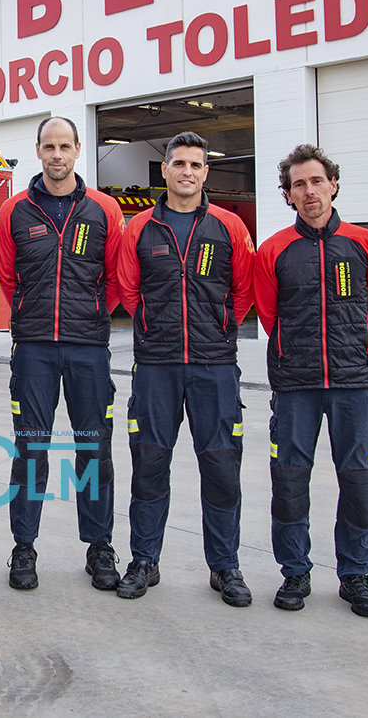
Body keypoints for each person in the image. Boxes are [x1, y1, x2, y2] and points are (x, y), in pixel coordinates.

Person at [113, 131, 256, 606]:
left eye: (196, 165)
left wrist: (217, 329)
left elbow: (243, 291)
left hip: (214, 368)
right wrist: (155, 329)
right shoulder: (140, 229)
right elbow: (129, 292)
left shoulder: (229, 227)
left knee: (220, 467)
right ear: (166, 171)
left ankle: (225, 566)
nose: (187, 172)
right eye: (179, 164)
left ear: (205, 172)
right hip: (156, 366)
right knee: (150, 464)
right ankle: (144, 560)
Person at [253, 143, 368, 617]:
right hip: (295, 385)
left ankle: (356, 575)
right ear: (288, 195)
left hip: (355, 383)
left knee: (359, 479)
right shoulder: (273, 250)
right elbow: (270, 316)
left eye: (316, 181)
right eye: (298, 185)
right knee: (290, 480)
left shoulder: (366, 244)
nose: (309, 191)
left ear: (333, 184)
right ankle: (295, 571)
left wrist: (354, 348)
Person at [0, 116, 125, 591]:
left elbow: (114, 279)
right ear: (37, 150)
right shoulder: (14, 211)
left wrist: (89, 314)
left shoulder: (104, 209)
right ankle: (23, 547)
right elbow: (8, 278)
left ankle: (99, 547)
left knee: (93, 447)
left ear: (76, 150)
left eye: (64, 146)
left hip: (88, 348)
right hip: (33, 351)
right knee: (31, 449)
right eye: (48, 146)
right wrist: (33, 316)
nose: (56, 154)